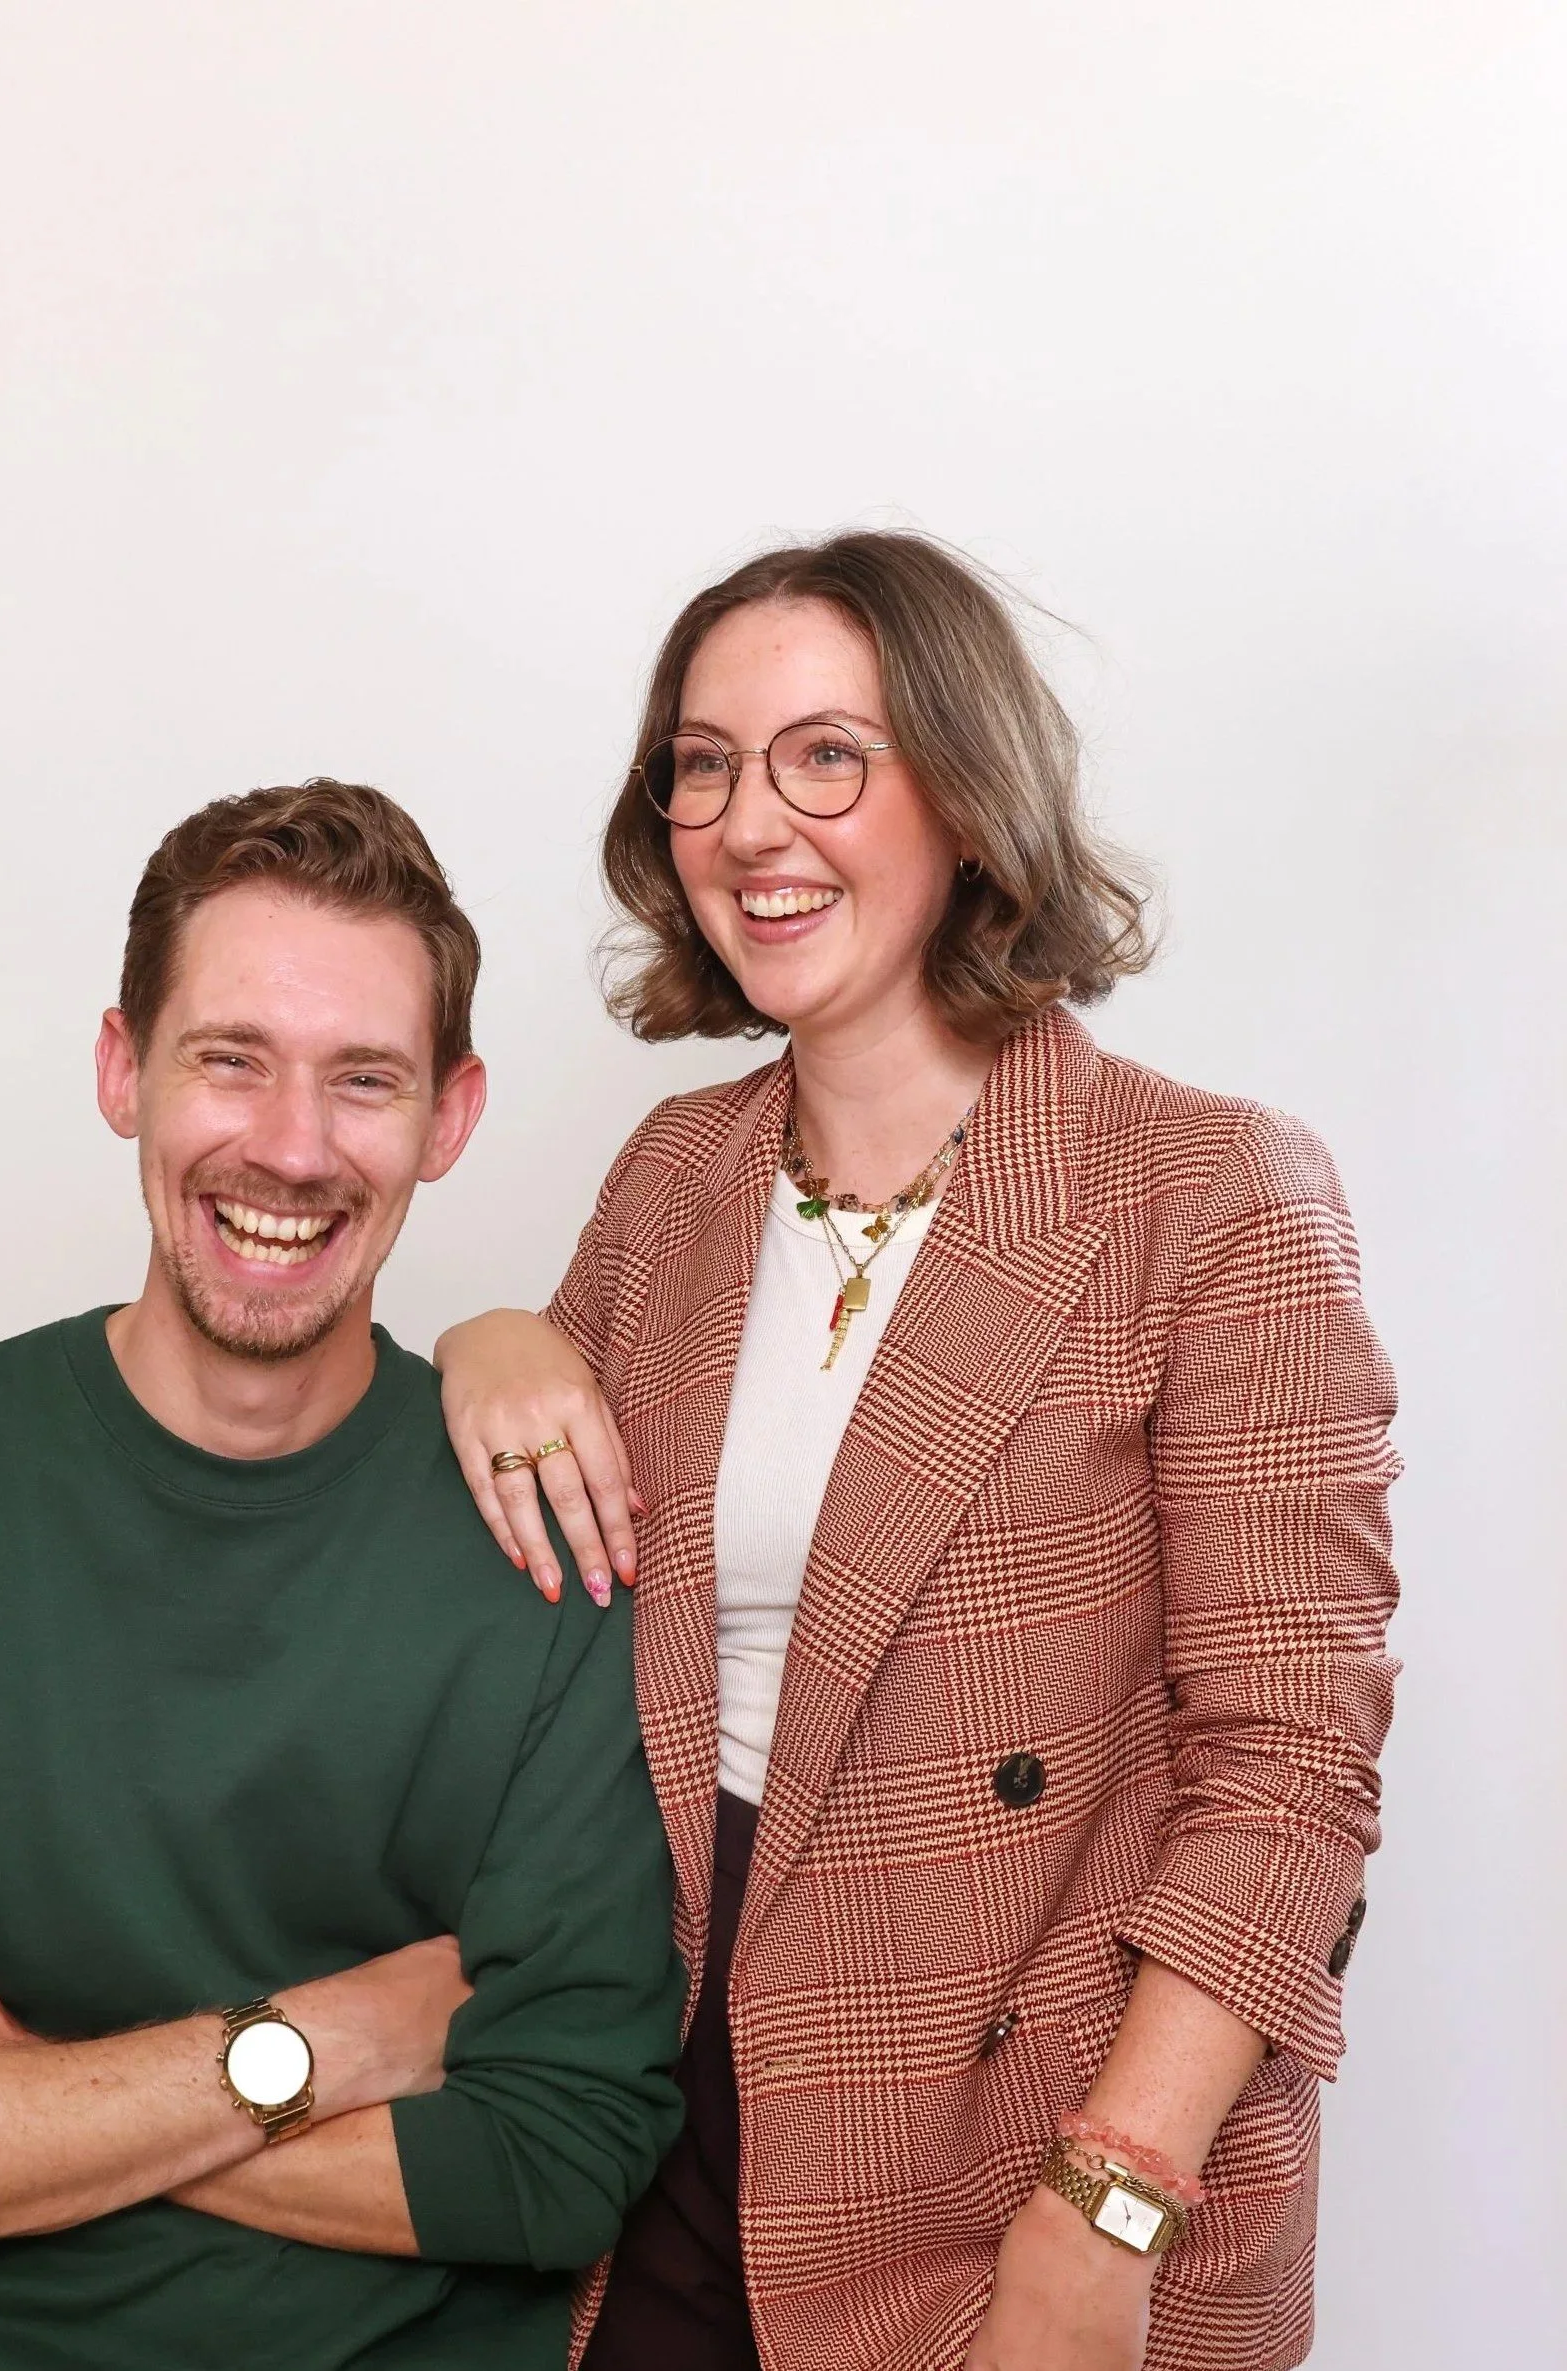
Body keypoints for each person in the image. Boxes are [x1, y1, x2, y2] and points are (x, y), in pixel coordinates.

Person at [434, 534, 1401, 2371]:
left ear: (965, 797)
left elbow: (1291, 1774)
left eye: (825, 754)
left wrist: (1110, 2195)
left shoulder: (1206, 1193)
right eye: (702, 764)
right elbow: (557, 1578)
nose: (747, 823)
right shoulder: (673, 1186)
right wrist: (488, 1343)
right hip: (667, 2080)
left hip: (1032, 2125)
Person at [0, 780, 686, 2371]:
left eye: (362, 1079)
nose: (289, 1145)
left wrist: (37, 2095)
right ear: (124, 1068)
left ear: (450, 1118)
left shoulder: (543, 1536)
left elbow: (558, 2162)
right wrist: (311, 2048)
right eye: (230, 1058)